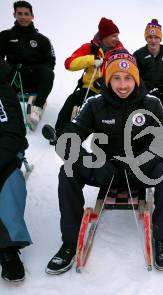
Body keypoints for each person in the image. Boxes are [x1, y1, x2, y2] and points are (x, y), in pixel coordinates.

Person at [45, 50, 163, 274]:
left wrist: (141, 162)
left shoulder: (152, 103)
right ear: (108, 79)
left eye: (128, 78)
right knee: (67, 172)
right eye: (116, 78)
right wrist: (87, 161)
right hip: (104, 170)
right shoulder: (95, 104)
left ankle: (162, 239)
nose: (122, 84)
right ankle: (69, 243)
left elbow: (162, 144)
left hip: (139, 170)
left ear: (136, 78)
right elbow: (69, 138)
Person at [50, 17, 124, 138]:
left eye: (117, 35)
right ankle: (58, 133)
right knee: (72, 100)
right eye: (114, 36)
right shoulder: (89, 48)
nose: (117, 39)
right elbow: (69, 64)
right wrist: (91, 59)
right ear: (104, 36)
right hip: (89, 90)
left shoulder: (121, 52)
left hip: (112, 93)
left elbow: (128, 71)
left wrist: (105, 82)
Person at [0, 1, 55, 130]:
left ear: (32, 16)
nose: (23, 17)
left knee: (48, 72)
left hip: (33, 78)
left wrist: (33, 69)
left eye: (26, 14)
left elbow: (50, 60)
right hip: (12, 78)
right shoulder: (5, 36)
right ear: (14, 15)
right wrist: (8, 67)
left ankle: (37, 109)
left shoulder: (42, 39)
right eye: (20, 14)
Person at [0, 60, 32, 283]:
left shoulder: (2, 93)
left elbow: (12, 136)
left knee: (8, 182)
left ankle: (8, 247)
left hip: (5, 153)